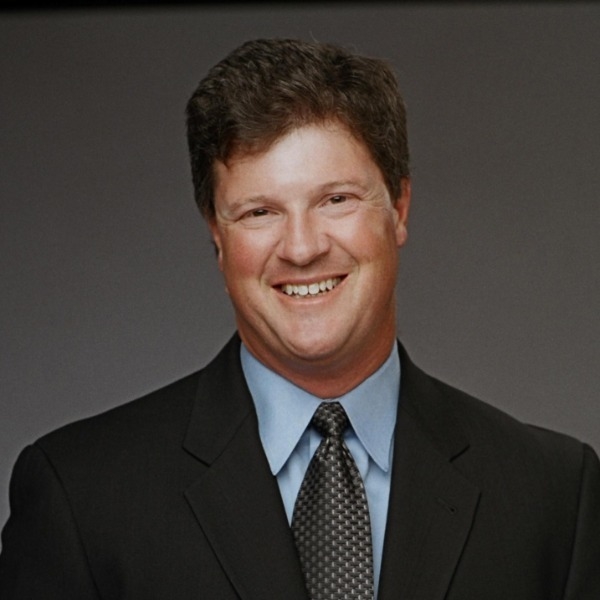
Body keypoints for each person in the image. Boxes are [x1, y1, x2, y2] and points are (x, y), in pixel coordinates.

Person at [1, 37, 599, 600]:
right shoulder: (80, 495)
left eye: (336, 199)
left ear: (399, 208)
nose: (302, 247)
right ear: (216, 234)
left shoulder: (553, 495)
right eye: (259, 212)